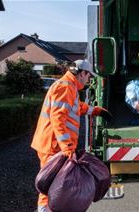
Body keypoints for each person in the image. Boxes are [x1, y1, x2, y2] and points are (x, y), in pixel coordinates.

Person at [31, 59, 113, 212]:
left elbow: (76, 107)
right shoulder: (65, 87)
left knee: (56, 183)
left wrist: (95, 110)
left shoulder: (69, 86)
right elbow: (58, 118)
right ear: (81, 73)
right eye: (88, 76)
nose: (89, 80)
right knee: (51, 184)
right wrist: (67, 146)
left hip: (53, 144)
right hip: (53, 145)